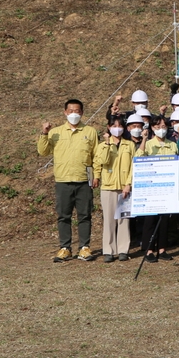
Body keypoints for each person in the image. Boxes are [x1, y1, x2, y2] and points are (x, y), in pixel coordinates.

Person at [38, 99, 99, 262]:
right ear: (65, 112)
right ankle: (65, 247)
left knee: (84, 215)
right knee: (63, 216)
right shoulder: (55, 132)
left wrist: (95, 177)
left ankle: (84, 247)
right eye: (70, 110)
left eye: (77, 111)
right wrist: (44, 133)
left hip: (83, 181)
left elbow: (95, 157)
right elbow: (43, 151)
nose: (74, 114)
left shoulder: (90, 131)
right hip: (63, 181)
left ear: (82, 113)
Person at [92, 116, 134, 262]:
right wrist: (108, 143)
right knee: (109, 220)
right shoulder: (102, 145)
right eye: (114, 125)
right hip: (108, 187)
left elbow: (133, 167)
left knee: (124, 219)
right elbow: (102, 162)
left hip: (124, 187)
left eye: (120, 125)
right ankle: (108, 250)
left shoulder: (129, 145)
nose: (117, 128)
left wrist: (128, 183)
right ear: (109, 127)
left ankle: (123, 250)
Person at [139, 116, 179, 263]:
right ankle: (149, 250)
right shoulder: (149, 144)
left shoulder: (172, 144)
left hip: (167, 188)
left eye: (163, 126)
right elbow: (138, 158)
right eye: (157, 126)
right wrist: (143, 139)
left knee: (164, 220)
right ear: (152, 129)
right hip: (151, 188)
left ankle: (162, 249)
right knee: (150, 219)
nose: (160, 129)